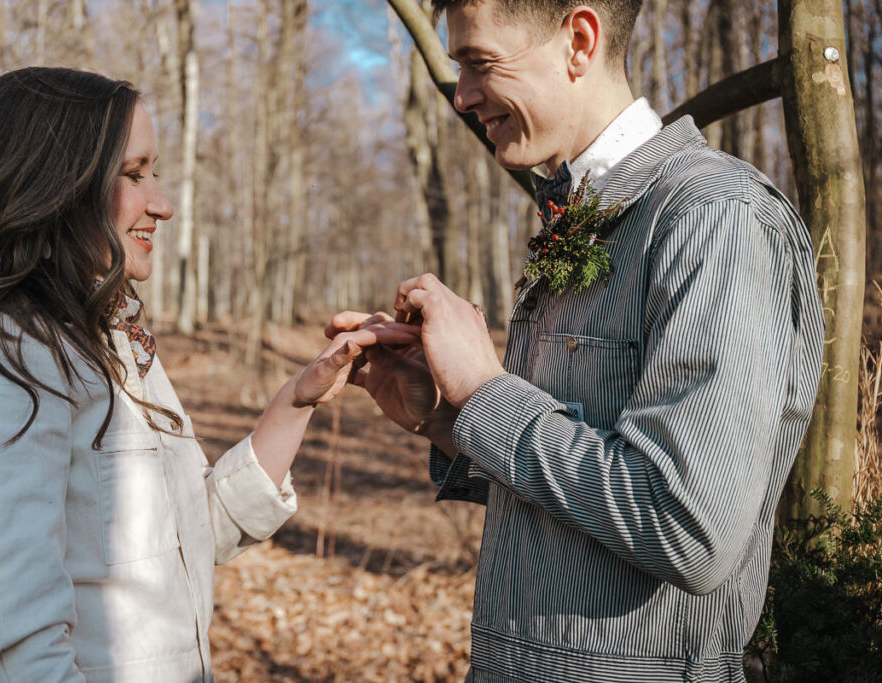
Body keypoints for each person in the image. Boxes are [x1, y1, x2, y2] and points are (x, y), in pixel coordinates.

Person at [0, 67, 416, 682]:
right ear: (52, 183)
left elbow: (185, 542)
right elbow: (19, 657)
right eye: (134, 173)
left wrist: (295, 401)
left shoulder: (101, 334)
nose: (163, 203)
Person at [329, 0, 824, 680]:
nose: (465, 96)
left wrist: (487, 390)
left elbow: (691, 529)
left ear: (579, 41)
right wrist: (446, 415)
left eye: (480, 63)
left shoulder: (714, 220)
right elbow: (577, 508)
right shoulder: (583, 212)